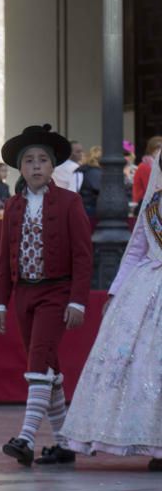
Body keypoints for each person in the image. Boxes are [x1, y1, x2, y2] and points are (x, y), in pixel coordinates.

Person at [0, 124, 92, 468]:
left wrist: (77, 300)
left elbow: (82, 255)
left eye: (43, 160)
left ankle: (26, 438)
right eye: (29, 161)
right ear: (21, 168)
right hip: (23, 296)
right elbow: (6, 258)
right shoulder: (13, 206)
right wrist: (0, 302)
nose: (36, 166)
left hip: (56, 292)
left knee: (38, 362)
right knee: (48, 366)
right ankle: (64, 443)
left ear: (52, 168)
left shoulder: (69, 202)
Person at [62, 151, 162, 471]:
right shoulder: (153, 204)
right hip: (146, 288)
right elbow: (136, 248)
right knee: (142, 367)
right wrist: (116, 291)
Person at [133, 136, 162, 213]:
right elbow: (150, 188)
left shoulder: (157, 165)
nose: (160, 152)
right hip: (145, 204)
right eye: (157, 149)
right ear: (151, 150)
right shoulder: (145, 166)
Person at [78, 145, 102, 218]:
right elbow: (100, 189)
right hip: (91, 207)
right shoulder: (95, 172)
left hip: (85, 206)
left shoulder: (84, 169)